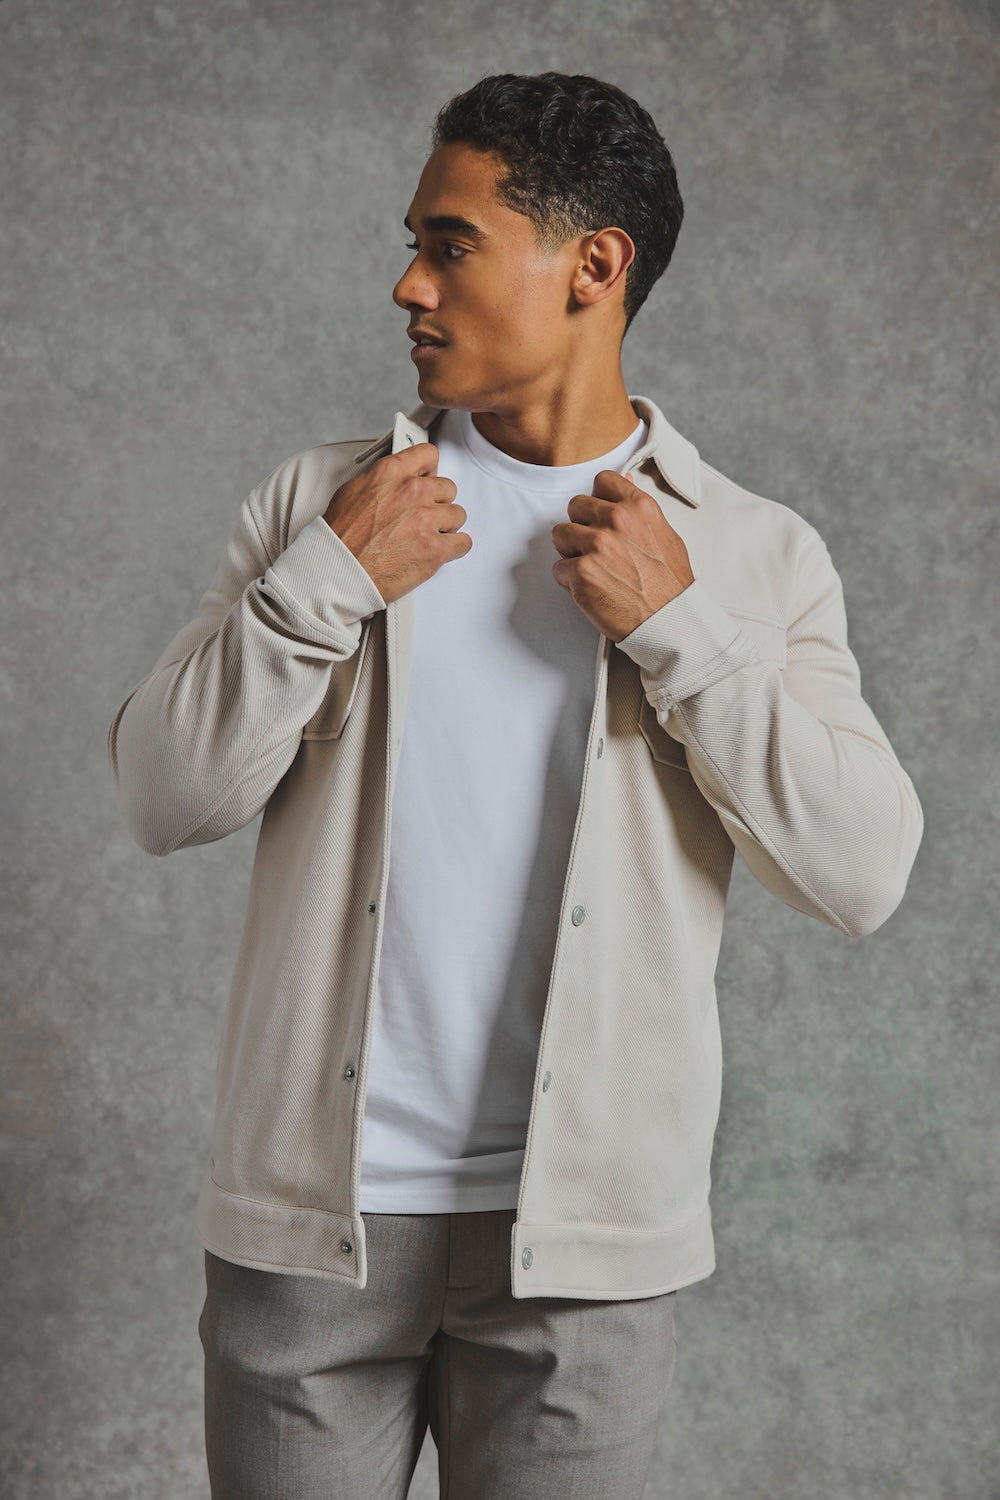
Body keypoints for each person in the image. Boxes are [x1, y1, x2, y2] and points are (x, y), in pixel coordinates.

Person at [109, 71, 923, 1500]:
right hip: (311, 1233)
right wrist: (324, 583)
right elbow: (164, 797)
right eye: (414, 244)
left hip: (583, 1258)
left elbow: (861, 874)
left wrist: (684, 632)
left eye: (453, 243)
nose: (408, 284)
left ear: (593, 264)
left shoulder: (749, 553)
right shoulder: (322, 507)